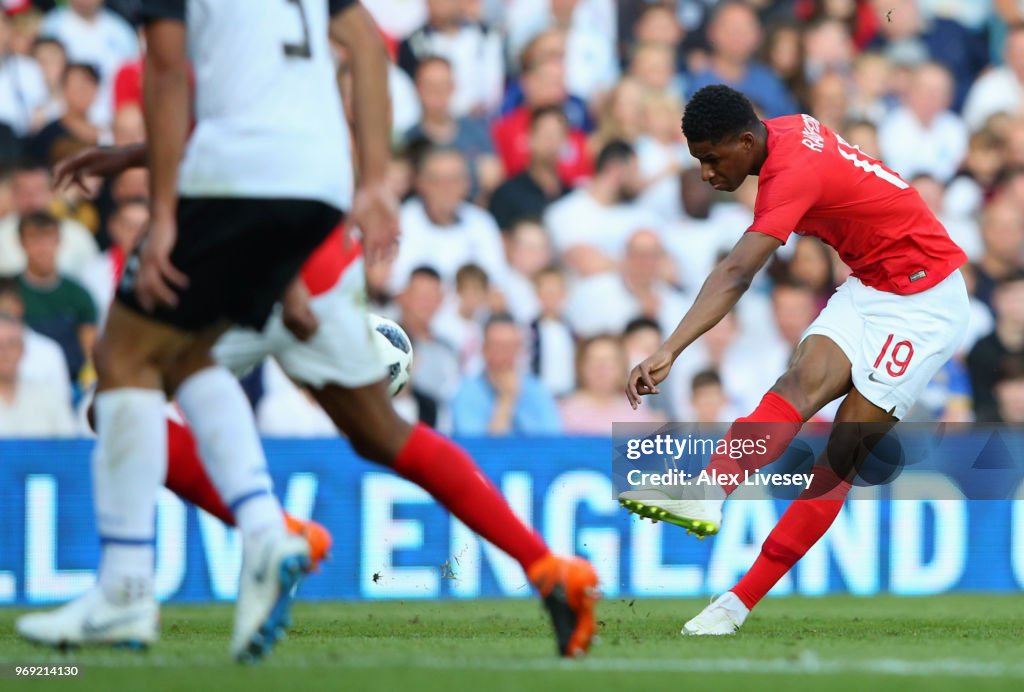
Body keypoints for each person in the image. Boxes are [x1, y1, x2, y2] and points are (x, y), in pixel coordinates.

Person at [40, 6, 598, 662]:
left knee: (121, 383)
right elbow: (355, 53)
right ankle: (549, 567)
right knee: (380, 431)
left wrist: (159, 207)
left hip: (235, 205)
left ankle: (242, 541)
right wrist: (371, 184)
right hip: (319, 226)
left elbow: (174, 77)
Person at [621, 85, 969, 635]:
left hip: (924, 305)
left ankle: (734, 605)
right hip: (873, 286)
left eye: (713, 159)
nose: (708, 174)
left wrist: (669, 348)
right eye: (698, 162)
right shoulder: (782, 132)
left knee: (838, 462)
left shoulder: (790, 173)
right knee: (800, 379)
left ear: (744, 140)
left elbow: (737, 272)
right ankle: (710, 491)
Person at [452, 312, 563, 436]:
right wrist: (506, 399)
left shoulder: (537, 390)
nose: (505, 354)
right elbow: (478, 448)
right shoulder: (467, 392)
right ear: (484, 349)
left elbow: (552, 442)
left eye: (511, 346)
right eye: (498, 346)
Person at [0, 313, 77, 437]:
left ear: (22, 350)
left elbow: (69, 443)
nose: (4, 352)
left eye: (11, 344)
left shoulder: (49, 394)